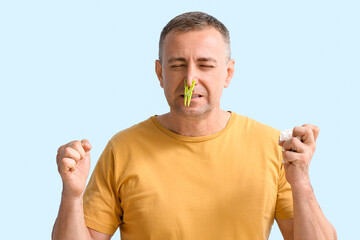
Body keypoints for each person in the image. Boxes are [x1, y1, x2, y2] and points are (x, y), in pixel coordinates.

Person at [52, 11, 337, 240]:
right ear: (160, 73)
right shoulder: (123, 148)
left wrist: (301, 184)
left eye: (205, 65)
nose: (190, 80)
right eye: (177, 65)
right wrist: (71, 194)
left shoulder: (272, 146)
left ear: (228, 73)